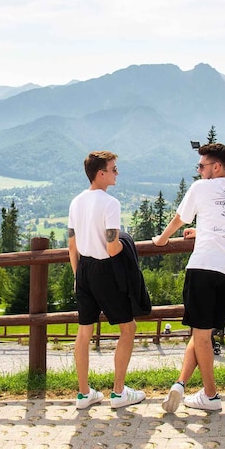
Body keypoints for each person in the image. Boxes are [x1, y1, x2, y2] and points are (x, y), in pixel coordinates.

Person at [153, 142, 225, 413]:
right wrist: (204, 231)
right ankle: (181, 384)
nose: (199, 171)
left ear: (216, 167)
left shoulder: (200, 188)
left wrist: (161, 240)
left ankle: (211, 395)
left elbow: (179, 219)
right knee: (202, 333)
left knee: (202, 335)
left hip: (204, 266)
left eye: (202, 166)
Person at [68, 150, 145, 409]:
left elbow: (71, 245)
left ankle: (83, 394)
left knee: (84, 332)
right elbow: (113, 247)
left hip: (84, 269)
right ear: (101, 174)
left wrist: (78, 275)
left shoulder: (76, 202)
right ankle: (119, 392)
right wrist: (128, 244)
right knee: (128, 328)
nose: (116, 173)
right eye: (113, 169)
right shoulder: (110, 203)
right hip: (105, 270)